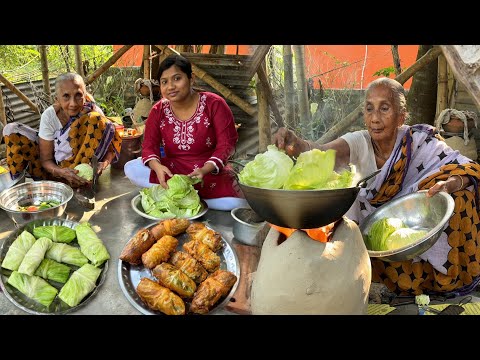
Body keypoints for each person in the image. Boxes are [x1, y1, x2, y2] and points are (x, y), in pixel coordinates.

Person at [274, 77, 480, 296]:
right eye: (369, 109)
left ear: (401, 116)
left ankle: (448, 276)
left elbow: (467, 167)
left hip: (415, 222)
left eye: (384, 108)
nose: (375, 118)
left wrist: (451, 184)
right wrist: (296, 145)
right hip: (370, 232)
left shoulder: (418, 141)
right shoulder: (357, 142)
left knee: (462, 195)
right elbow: (320, 152)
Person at [124, 54, 248, 211]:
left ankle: (183, 198)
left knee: (238, 203)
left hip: (208, 172)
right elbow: (149, 145)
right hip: (173, 172)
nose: (170, 86)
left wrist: (205, 169)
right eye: (164, 82)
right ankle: (192, 198)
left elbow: (227, 145)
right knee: (131, 168)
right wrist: (157, 167)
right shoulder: (158, 110)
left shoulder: (214, 104)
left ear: (191, 79)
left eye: (177, 78)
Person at [2, 72, 122, 188]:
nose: (73, 103)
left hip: (80, 170)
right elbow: (46, 160)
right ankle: (21, 185)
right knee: (12, 131)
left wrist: (104, 164)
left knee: (96, 119)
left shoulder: (92, 112)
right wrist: (61, 172)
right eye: (66, 96)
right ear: (57, 99)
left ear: (85, 96)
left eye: (78, 95)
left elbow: (110, 149)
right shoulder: (49, 117)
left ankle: (78, 181)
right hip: (53, 171)